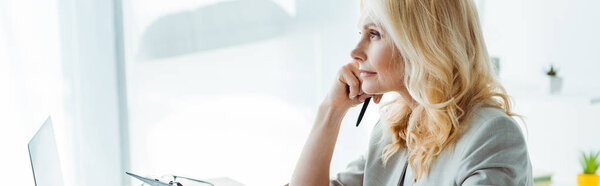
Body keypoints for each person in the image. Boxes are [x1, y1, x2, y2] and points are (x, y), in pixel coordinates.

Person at [289, 0, 533, 185]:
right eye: (360, 34)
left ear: (421, 43)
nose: (356, 51)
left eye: (374, 34)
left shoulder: (491, 137)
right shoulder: (391, 133)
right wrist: (329, 113)